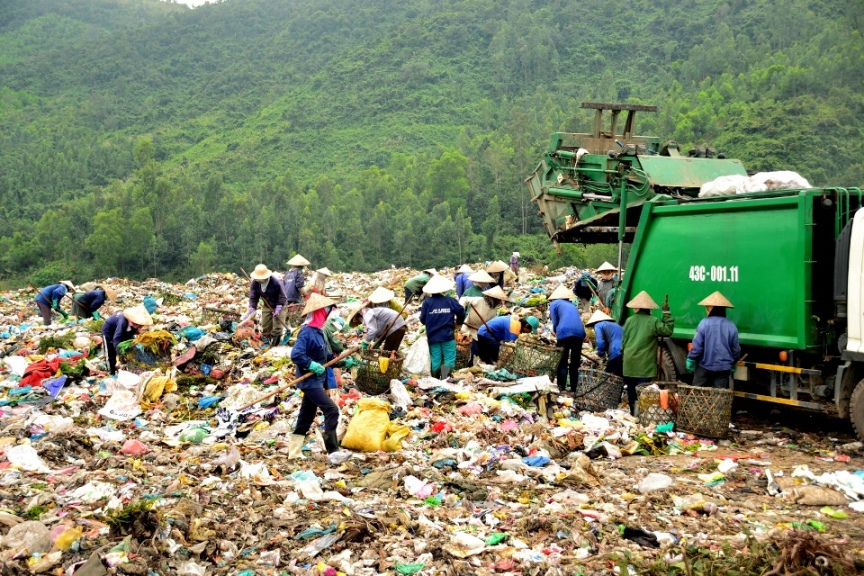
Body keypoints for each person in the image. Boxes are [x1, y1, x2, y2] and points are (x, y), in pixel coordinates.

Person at [288, 293, 342, 458]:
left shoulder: (319, 332)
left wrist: (342, 362)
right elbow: (296, 354)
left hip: (317, 381)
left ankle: (294, 452)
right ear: (318, 312)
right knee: (332, 410)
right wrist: (311, 364)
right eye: (325, 311)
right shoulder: (306, 332)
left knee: (306, 416)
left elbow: (326, 356)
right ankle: (333, 453)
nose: (326, 313)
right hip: (310, 381)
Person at [621, 291, 674, 415]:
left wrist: (623, 354)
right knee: (644, 392)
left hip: (629, 362)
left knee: (631, 391)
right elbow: (667, 330)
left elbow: (624, 340)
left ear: (637, 308)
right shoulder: (653, 321)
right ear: (649, 308)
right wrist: (666, 314)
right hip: (644, 364)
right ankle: (642, 415)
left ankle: (632, 413)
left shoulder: (629, 320)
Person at [687, 291, 741, 388]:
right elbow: (736, 349)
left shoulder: (704, 323)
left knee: (697, 395)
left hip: (704, 367)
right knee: (718, 398)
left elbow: (697, 347)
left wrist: (690, 358)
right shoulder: (731, 325)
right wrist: (733, 363)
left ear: (711, 310)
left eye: (707, 308)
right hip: (723, 369)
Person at [419, 275, 466, 379]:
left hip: (433, 336)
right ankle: (445, 379)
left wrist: (432, 318)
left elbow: (422, 320)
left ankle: (435, 380)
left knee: (435, 358)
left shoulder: (427, 302)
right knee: (449, 358)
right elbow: (461, 312)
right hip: (447, 335)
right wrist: (459, 322)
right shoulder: (450, 301)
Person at [548, 285, 587, 394]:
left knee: (562, 361)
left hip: (564, 332)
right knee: (575, 362)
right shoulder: (572, 305)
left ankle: (562, 387)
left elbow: (555, 322)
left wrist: (556, 332)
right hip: (579, 333)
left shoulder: (554, 304)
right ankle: (574, 389)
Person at [239, 264, 287, 344]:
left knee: (277, 327)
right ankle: (265, 343)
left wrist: (278, 307)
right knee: (266, 325)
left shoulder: (275, 281)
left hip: (280, 304)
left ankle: (275, 345)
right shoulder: (255, 283)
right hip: (267, 304)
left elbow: (283, 296)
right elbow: (253, 297)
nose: (259, 280)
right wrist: (252, 307)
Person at [101, 305, 153, 375]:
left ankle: (129, 368)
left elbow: (132, 337)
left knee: (131, 347)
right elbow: (116, 339)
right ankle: (111, 371)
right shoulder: (123, 322)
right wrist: (120, 353)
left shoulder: (135, 324)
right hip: (109, 331)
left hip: (125, 331)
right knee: (111, 352)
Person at [353, 287, 407, 352]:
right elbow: (381, 329)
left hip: (395, 327)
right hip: (400, 326)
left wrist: (366, 342)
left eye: (359, 321)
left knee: (387, 352)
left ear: (359, 316)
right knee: (393, 351)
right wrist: (377, 343)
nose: (362, 323)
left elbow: (373, 330)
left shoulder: (368, 314)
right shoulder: (373, 310)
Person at [585, 309, 623, 377]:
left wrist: (601, 354)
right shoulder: (616, 325)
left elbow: (600, 342)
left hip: (616, 351)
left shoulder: (598, 325)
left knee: (610, 377)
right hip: (626, 351)